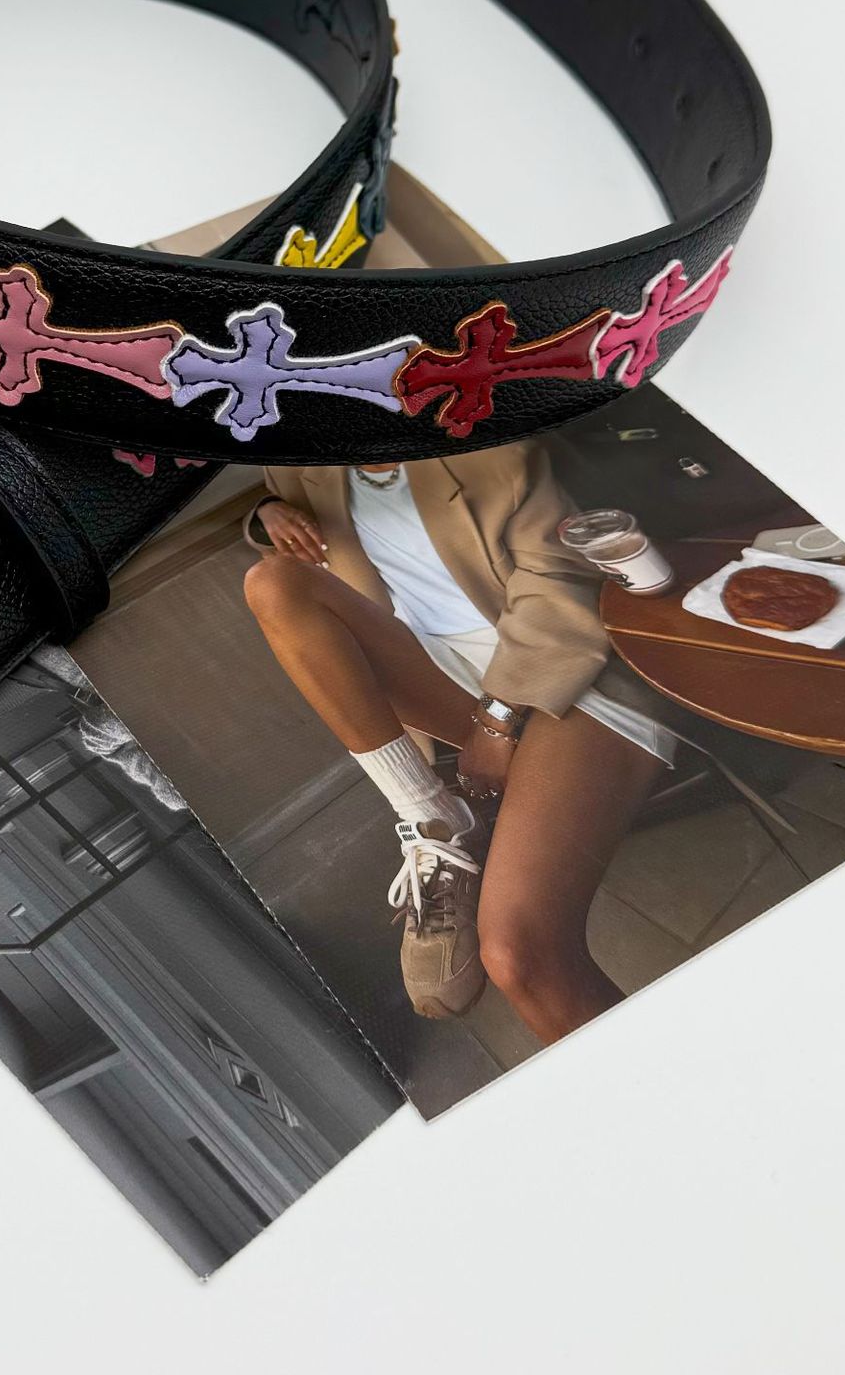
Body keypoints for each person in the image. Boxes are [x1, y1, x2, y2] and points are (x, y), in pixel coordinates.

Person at [242, 441, 680, 1044]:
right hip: (442, 668)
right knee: (274, 583)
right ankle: (434, 820)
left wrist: (497, 720)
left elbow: (563, 581)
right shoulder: (305, 461)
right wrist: (267, 512)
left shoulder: (487, 448)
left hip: (560, 669)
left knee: (517, 956)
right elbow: (285, 525)